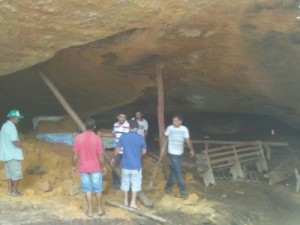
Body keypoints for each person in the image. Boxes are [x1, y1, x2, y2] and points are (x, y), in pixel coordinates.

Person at [72, 118, 106, 218]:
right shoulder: (97, 138)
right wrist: (103, 167)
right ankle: (100, 210)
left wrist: (73, 165)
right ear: (94, 127)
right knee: (98, 189)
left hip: (83, 168)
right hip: (95, 168)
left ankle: (90, 211)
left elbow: (75, 154)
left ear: (85, 126)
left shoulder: (78, 138)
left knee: (87, 190)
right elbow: (101, 156)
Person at [111, 119, 147, 208]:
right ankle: (133, 203)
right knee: (135, 184)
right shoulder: (141, 138)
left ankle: (126, 201)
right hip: (136, 166)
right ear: (137, 128)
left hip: (125, 165)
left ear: (129, 127)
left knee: (125, 183)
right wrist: (139, 156)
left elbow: (117, 150)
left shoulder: (123, 137)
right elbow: (144, 151)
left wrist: (113, 158)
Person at [164, 115, 195, 199]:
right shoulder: (170, 128)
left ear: (180, 121)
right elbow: (165, 137)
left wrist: (191, 149)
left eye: (176, 121)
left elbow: (187, 139)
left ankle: (167, 188)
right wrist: (165, 149)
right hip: (172, 153)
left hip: (180, 153)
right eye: (173, 121)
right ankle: (183, 190)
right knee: (178, 171)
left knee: (174, 171)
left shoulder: (184, 129)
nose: (174, 122)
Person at [0, 109, 24, 196]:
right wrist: (22, 146)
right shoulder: (11, 127)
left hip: (7, 155)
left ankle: (9, 191)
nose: (19, 120)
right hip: (13, 155)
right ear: (13, 118)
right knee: (17, 174)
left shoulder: (4, 126)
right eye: (18, 118)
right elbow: (14, 140)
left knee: (9, 174)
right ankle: (15, 191)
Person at [111, 113, 129, 188]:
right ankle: (116, 183)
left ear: (125, 118)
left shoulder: (128, 125)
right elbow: (113, 134)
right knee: (115, 166)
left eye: (124, 117)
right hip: (117, 150)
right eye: (120, 117)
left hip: (126, 150)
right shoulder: (115, 125)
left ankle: (127, 184)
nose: (122, 119)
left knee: (127, 168)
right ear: (117, 117)